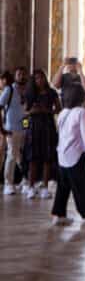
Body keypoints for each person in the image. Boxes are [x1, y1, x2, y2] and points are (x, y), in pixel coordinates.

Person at [51, 82, 85, 227]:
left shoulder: (63, 113)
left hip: (62, 154)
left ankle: (59, 215)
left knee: (63, 187)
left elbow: (60, 133)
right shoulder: (82, 113)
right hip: (75, 155)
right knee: (81, 186)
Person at [23, 69, 60, 199]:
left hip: (48, 127)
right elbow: (25, 113)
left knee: (47, 158)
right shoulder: (30, 93)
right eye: (37, 78)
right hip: (33, 128)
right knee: (33, 158)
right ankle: (31, 186)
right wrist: (31, 112)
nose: (40, 80)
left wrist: (47, 110)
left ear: (45, 78)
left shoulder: (52, 93)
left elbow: (58, 109)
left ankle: (45, 187)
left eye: (42, 77)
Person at [0, 67, 28, 195]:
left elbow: (25, 112)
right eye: (19, 74)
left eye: (23, 74)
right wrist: (2, 128)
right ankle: (8, 183)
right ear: (15, 76)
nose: (21, 76)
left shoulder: (27, 90)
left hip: (23, 128)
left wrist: (26, 127)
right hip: (11, 128)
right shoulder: (9, 89)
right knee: (12, 154)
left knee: (21, 156)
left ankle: (25, 180)